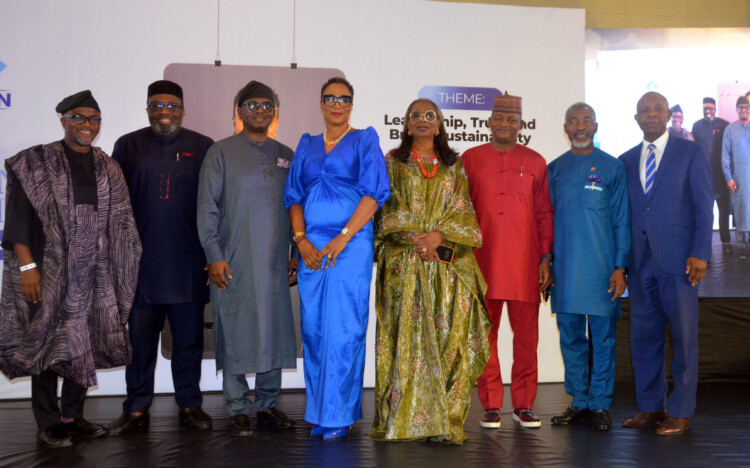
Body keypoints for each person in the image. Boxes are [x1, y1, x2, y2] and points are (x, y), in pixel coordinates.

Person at [0, 90, 142, 447]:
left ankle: (72, 415)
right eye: (79, 117)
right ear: (64, 120)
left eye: (94, 119)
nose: (87, 125)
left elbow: (122, 222)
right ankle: (48, 422)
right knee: (45, 342)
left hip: (94, 273)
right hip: (48, 272)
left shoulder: (108, 167)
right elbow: (17, 219)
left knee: (86, 340)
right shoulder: (36, 163)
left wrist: (120, 270)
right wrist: (28, 267)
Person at [371, 99, 490, 444]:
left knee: (449, 340)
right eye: (415, 115)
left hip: (445, 267)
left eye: (429, 115)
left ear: (438, 126)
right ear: (407, 126)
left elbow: (463, 211)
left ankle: (447, 423)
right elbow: (385, 210)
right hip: (405, 266)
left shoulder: (454, 166)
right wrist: (415, 238)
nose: (422, 120)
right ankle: (402, 419)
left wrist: (438, 237)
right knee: (403, 341)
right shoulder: (392, 164)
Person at [106, 80, 214, 435]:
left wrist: (213, 255)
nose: (164, 112)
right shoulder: (127, 145)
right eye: (157, 105)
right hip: (141, 267)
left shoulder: (203, 146)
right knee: (139, 345)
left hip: (189, 264)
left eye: (171, 105)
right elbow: (113, 205)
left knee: (188, 343)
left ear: (183, 110)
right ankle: (136, 408)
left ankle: (189, 404)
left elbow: (216, 206)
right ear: (148, 109)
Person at [284, 77, 389, 439]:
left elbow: (374, 195)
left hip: (351, 244)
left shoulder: (365, 140)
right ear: (321, 103)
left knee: (344, 330)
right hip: (312, 248)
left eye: (344, 99)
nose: (337, 104)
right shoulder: (306, 144)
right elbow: (294, 196)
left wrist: (343, 237)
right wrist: (300, 241)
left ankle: (339, 413)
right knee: (315, 331)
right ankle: (319, 410)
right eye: (330, 98)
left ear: (352, 104)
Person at [197, 80, 298, 437]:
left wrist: (295, 253)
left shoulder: (285, 153)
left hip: (275, 261)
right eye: (252, 105)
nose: (260, 111)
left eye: (267, 106)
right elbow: (207, 208)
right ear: (239, 112)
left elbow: (297, 206)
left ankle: (268, 404)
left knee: (275, 330)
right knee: (235, 328)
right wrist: (214, 255)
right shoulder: (221, 152)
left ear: (275, 114)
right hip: (233, 259)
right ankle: (238, 406)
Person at [619, 92, 712, 436]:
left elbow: (704, 205)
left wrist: (700, 252)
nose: (651, 114)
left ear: (669, 114)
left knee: (684, 340)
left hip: (680, 261)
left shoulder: (691, 152)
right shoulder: (626, 160)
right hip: (639, 262)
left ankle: (681, 410)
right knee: (644, 339)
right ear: (636, 118)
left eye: (658, 108)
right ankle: (651, 406)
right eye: (644, 110)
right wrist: (621, 263)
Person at [462, 92, 554, 429]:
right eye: (499, 117)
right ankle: (490, 405)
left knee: (527, 338)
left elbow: (544, 213)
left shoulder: (536, 162)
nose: (504, 123)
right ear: (489, 122)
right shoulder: (470, 159)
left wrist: (545, 257)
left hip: (524, 264)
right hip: (481, 262)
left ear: (520, 124)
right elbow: (459, 212)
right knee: (484, 336)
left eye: (511, 119)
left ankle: (524, 404)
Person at [547, 103, 630, 432]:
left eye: (585, 121)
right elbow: (545, 222)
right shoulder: (554, 169)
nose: (579, 126)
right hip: (565, 271)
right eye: (573, 121)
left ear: (596, 126)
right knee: (571, 338)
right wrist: (545, 260)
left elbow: (622, 221)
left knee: (603, 339)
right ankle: (579, 400)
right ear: (565, 128)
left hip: (602, 270)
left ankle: (599, 404)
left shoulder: (613, 167)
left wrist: (620, 266)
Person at [692, 97, 730, 249]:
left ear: (715, 109)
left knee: (724, 211)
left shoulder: (724, 125)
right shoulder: (696, 126)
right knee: (705, 213)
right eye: (705, 108)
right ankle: (705, 243)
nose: (708, 111)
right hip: (704, 176)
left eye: (711, 108)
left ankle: (726, 241)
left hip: (721, 176)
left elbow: (728, 150)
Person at [722, 96, 750, 257]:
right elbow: (725, 154)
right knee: (740, 209)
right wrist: (729, 177)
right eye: (741, 108)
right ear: (737, 110)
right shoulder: (730, 129)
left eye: (746, 107)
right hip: (738, 177)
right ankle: (741, 245)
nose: (744, 110)